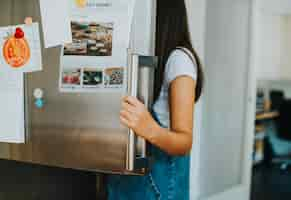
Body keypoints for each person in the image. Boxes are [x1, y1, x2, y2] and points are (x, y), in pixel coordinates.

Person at [107, 0, 204, 199]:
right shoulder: (141, 56)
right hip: (124, 185)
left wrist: (149, 128)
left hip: (156, 190)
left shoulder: (179, 59)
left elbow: (184, 142)